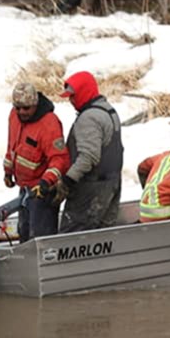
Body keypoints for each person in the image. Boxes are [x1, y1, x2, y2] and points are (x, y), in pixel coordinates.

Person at [53, 71, 124, 233]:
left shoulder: (89, 119)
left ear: (84, 92)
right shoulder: (109, 111)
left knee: (72, 237)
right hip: (112, 184)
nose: (71, 101)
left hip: (91, 189)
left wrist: (67, 181)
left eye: (73, 96)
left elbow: (88, 157)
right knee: (103, 237)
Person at [3, 82, 70, 241]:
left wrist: (46, 182)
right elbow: (12, 146)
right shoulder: (14, 117)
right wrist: (8, 172)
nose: (21, 112)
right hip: (25, 188)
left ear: (35, 104)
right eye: (17, 107)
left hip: (43, 191)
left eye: (26, 108)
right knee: (24, 233)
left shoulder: (49, 124)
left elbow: (60, 159)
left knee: (40, 238)